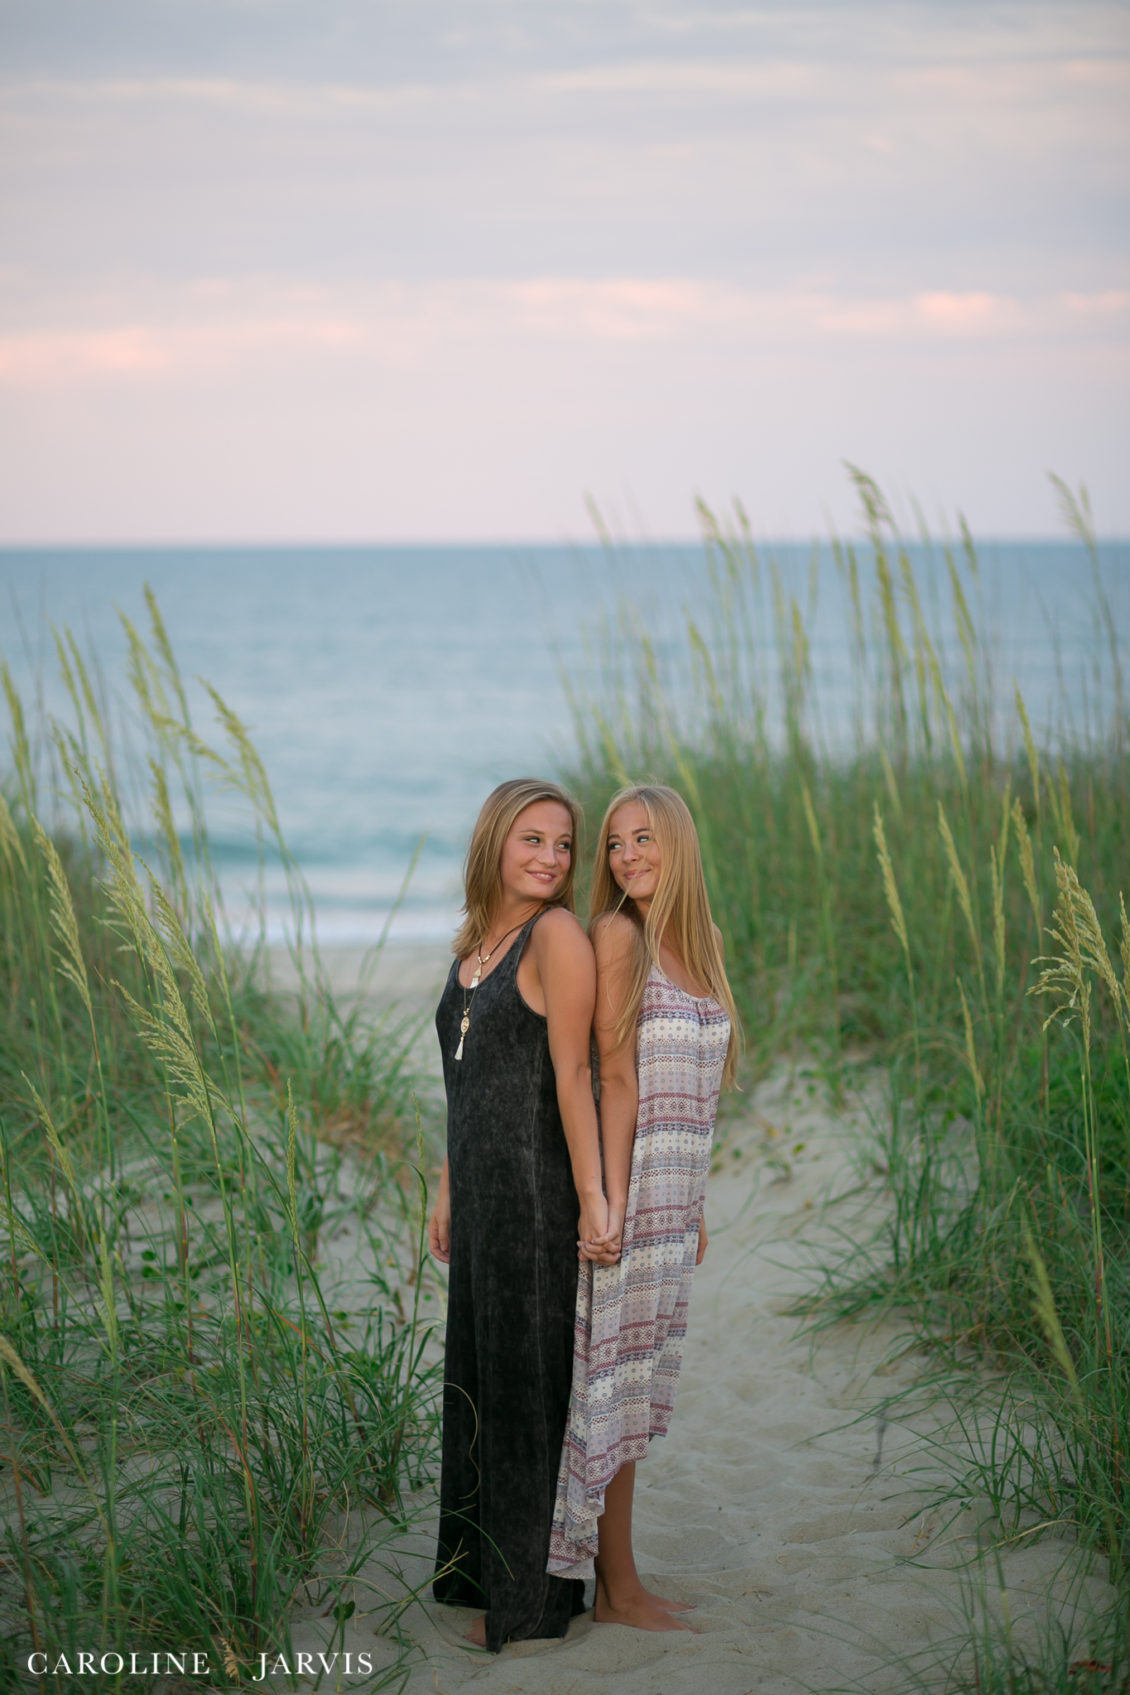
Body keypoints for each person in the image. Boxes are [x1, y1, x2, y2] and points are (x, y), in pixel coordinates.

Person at [427, 777, 617, 1651]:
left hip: (536, 1196)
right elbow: (462, 1081)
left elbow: (575, 1075)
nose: (550, 857)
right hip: (480, 1195)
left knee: (527, 1390)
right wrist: (447, 1184)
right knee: (477, 1375)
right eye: (532, 839)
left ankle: (534, 1602)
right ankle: (479, 1573)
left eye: (563, 843)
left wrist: (593, 1198)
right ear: (495, 841)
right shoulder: (477, 941)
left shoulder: (558, 936)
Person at [548, 782, 739, 1630]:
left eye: (644, 837)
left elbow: (699, 1091)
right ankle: (617, 1591)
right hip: (630, 1198)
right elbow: (614, 1076)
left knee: (634, 1389)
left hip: (675, 1199)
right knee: (610, 1389)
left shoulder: (704, 945)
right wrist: (611, 1204)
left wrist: (692, 1208)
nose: (627, 855)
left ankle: (619, 1583)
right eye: (616, 842)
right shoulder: (618, 936)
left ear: (679, 843)